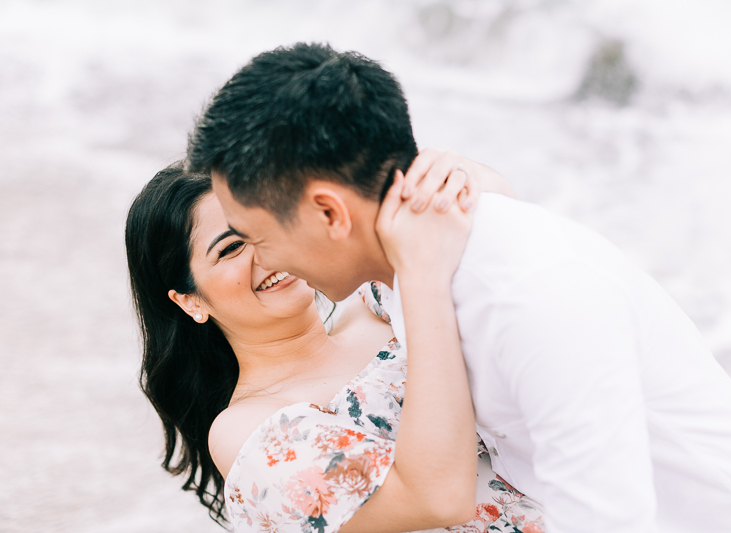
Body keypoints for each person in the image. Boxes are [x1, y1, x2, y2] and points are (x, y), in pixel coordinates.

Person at [187, 42, 731, 533]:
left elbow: (607, 518)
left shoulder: (528, 294)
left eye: (257, 236)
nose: (268, 259)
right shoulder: (407, 275)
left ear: (329, 213)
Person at [125, 162, 546, 533]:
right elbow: (438, 499)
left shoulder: (377, 299)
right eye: (232, 247)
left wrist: (435, 173)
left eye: (268, 224)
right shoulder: (245, 431)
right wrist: (423, 280)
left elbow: (496, 214)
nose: (266, 251)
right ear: (190, 301)